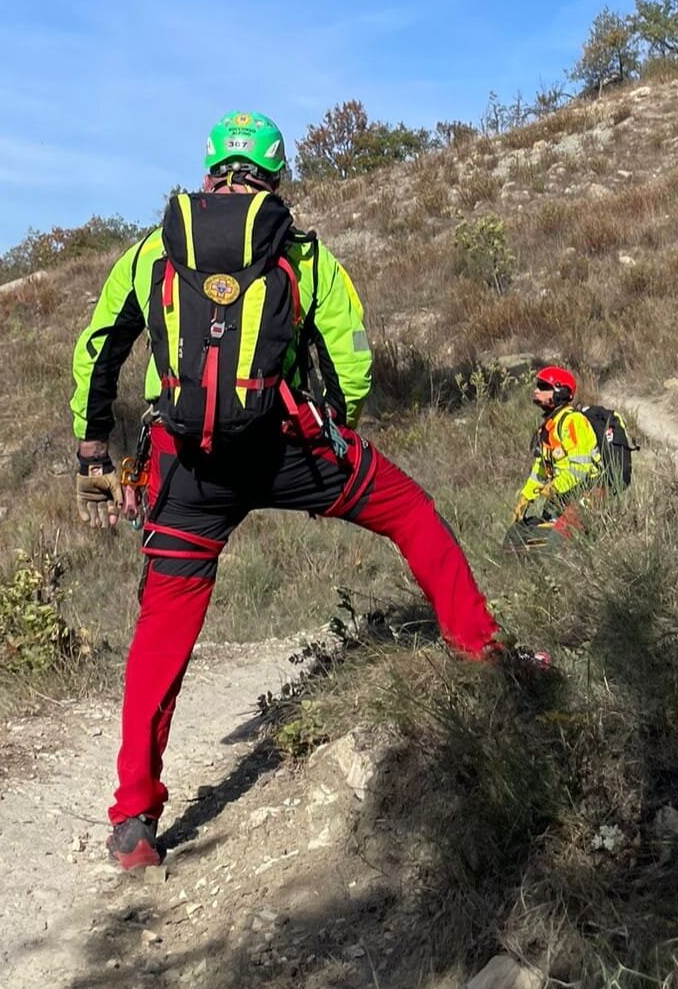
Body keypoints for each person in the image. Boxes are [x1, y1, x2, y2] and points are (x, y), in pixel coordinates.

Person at [70, 110, 505, 870]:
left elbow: (98, 345)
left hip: (184, 465)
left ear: (209, 168)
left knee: (163, 630)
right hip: (290, 447)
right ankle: (480, 646)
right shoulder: (302, 253)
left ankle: (135, 816)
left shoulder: (153, 248)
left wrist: (91, 444)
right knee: (409, 510)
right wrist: (337, 434)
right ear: (276, 174)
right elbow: (351, 357)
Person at [507, 366, 606, 549]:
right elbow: (539, 473)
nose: (536, 390)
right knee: (515, 538)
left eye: (544, 387)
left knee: (554, 545)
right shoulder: (548, 427)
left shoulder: (573, 422)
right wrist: (525, 498)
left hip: (589, 493)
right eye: (538, 386)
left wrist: (552, 489)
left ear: (561, 392)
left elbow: (580, 469)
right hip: (561, 496)